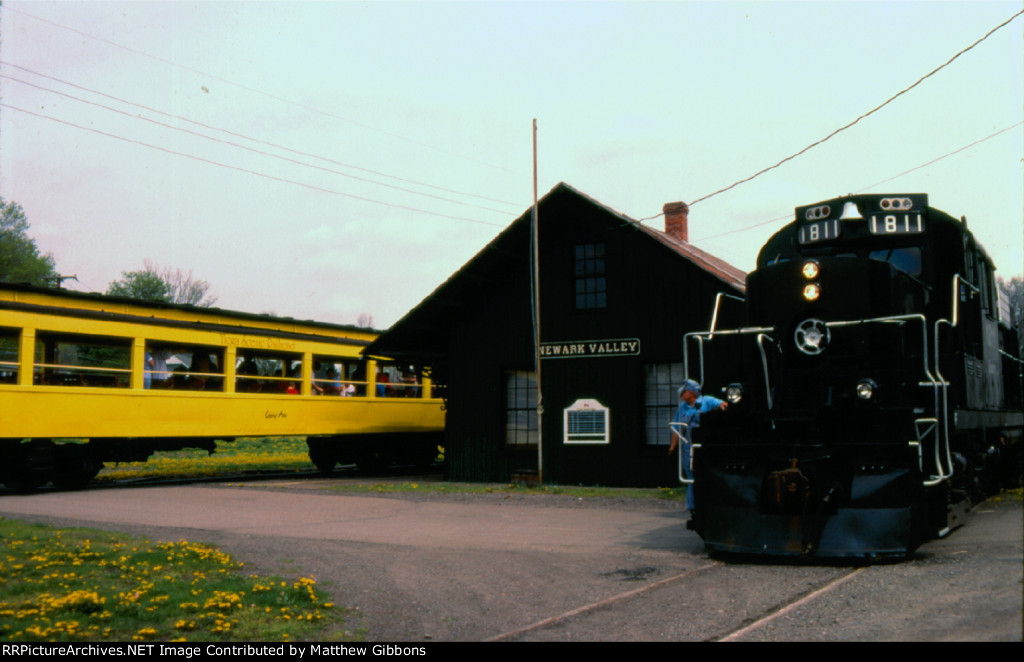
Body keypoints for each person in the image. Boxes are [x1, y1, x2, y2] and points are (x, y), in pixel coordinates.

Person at [669, 379, 727, 517]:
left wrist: (721, 410)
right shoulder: (682, 407)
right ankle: (693, 507)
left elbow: (723, 404)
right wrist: (672, 447)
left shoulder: (706, 401)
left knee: (705, 475)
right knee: (691, 477)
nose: (681, 394)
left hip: (705, 445)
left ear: (691, 392)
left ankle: (710, 505)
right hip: (688, 446)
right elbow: (676, 428)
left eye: (684, 392)